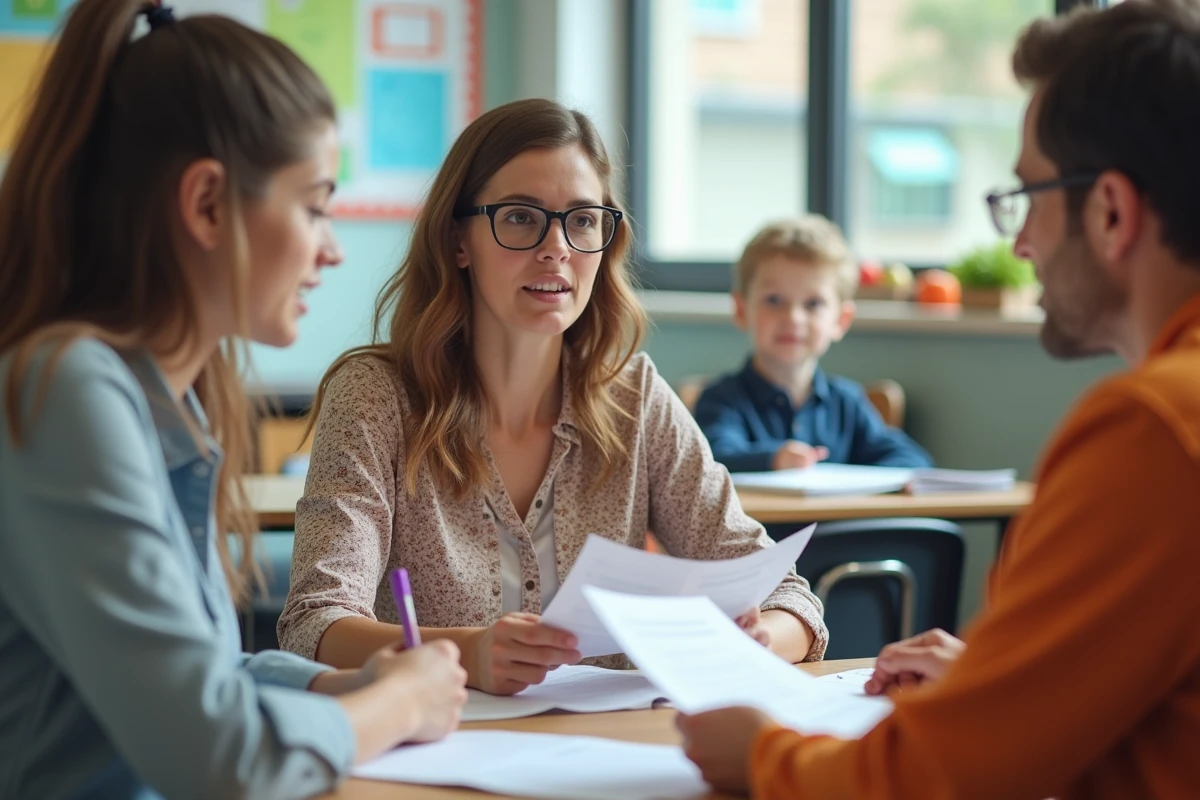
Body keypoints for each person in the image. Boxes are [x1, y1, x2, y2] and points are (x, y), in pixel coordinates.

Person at [676, 1, 1200, 797]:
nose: (1019, 244)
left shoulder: (1154, 428)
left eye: (1027, 196)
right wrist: (1004, 682)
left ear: (1110, 211)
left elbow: (940, 775)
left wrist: (761, 755)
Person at [0, 2, 467, 798]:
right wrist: (392, 707)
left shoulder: (160, 395)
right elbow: (217, 754)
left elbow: (202, 674)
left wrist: (343, 688)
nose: (332, 247)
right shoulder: (67, 391)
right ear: (208, 203)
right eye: (315, 204)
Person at [277, 98, 828, 695]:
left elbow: (787, 596)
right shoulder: (374, 396)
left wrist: (760, 638)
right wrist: (468, 653)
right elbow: (315, 621)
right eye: (520, 217)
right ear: (458, 241)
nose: (557, 247)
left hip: (610, 756)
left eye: (583, 219)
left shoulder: (634, 397)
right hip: (438, 749)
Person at [693, 216, 932, 472]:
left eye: (813, 304)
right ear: (741, 310)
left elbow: (911, 459)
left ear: (841, 320)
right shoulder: (722, 400)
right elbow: (713, 460)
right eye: (774, 300)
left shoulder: (848, 402)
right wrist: (773, 458)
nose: (793, 318)